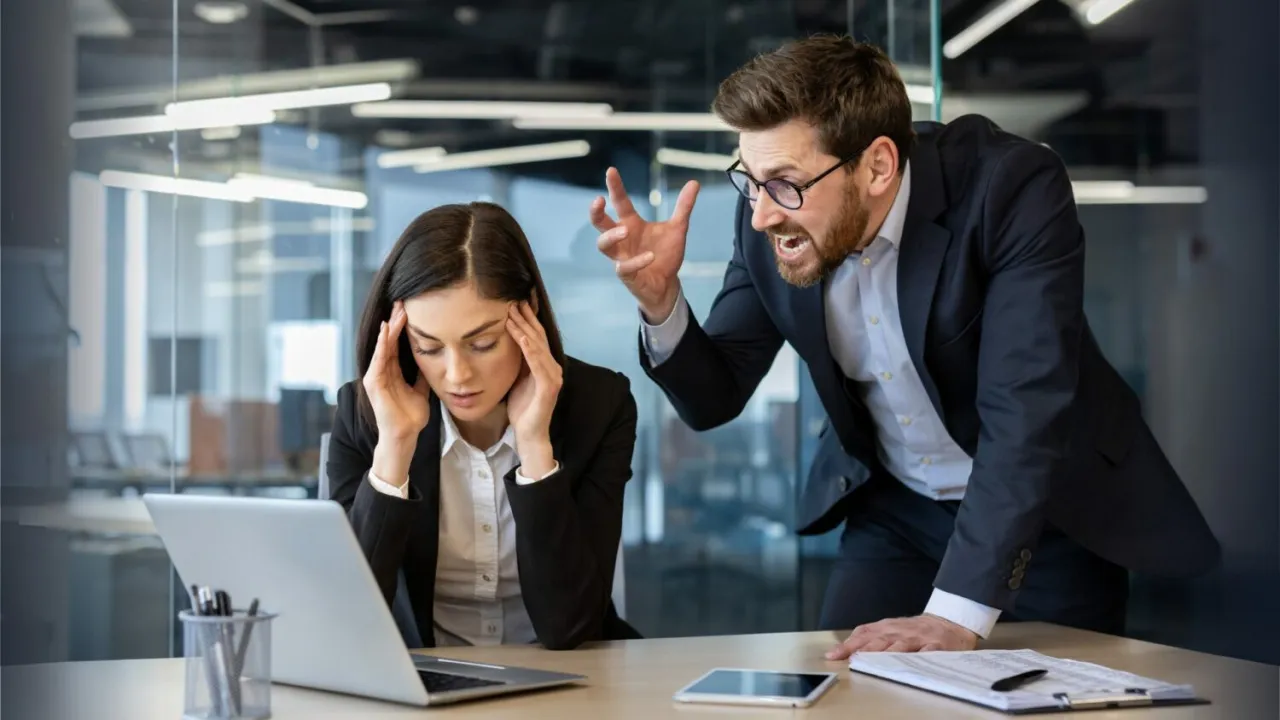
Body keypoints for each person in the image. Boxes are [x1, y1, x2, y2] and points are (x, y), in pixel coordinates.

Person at [592, 35, 1219, 658]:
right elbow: (714, 397)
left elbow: (1023, 414)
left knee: (1048, 698)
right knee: (841, 688)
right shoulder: (769, 219)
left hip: (1043, 514)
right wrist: (661, 301)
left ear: (878, 166)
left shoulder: (1008, 188)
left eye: (784, 183)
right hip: (895, 510)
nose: (760, 214)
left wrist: (956, 615)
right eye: (750, 181)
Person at [327, 201, 641, 651]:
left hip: (567, 683)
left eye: (482, 343)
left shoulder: (599, 406)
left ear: (528, 312)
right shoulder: (363, 412)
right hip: (424, 682)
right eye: (429, 347)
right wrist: (395, 446)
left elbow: (570, 627)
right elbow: (346, 618)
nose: (457, 375)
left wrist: (535, 448)